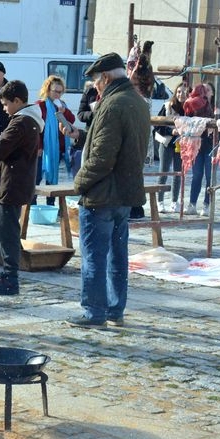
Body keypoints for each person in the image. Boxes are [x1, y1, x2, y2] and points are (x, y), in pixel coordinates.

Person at [65, 53, 150, 329]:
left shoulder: (113, 105)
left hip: (102, 195)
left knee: (94, 257)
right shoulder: (137, 101)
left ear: (105, 78)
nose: (95, 87)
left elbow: (102, 157)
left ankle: (95, 312)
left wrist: (79, 183)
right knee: (117, 255)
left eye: (95, 82)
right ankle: (115, 309)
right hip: (124, 194)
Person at [0, 80, 44, 296]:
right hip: (4, 185)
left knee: (6, 233)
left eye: (6, 104)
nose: (4, 109)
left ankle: (10, 278)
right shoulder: (22, 119)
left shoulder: (22, 122)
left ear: (17, 101)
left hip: (11, 186)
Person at [34, 75, 75, 206]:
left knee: (52, 178)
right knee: (37, 177)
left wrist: (63, 112)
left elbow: (71, 121)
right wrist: (39, 146)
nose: (58, 94)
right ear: (47, 90)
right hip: (43, 148)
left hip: (56, 148)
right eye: (55, 91)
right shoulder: (40, 105)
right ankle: (32, 204)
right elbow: (35, 128)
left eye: (60, 91)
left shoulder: (62, 105)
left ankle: (50, 205)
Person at [154, 82, 188, 213]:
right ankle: (160, 201)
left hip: (181, 144)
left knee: (178, 173)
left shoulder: (189, 108)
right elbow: (157, 125)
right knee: (164, 172)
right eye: (179, 91)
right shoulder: (167, 106)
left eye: (185, 92)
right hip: (167, 143)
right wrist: (170, 132)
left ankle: (174, 202)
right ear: (175, 93)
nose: (181, 94)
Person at [182, 84, 214, 216]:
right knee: (196, 176)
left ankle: (206, 205)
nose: (204, 92)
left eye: (207, 90)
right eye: (203, 90)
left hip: (212, 147)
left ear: (212, 93)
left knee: (210, 177)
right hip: (198, 146)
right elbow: (187, 118)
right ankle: (192, 204)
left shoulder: (218, 107)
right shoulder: (195, 104)